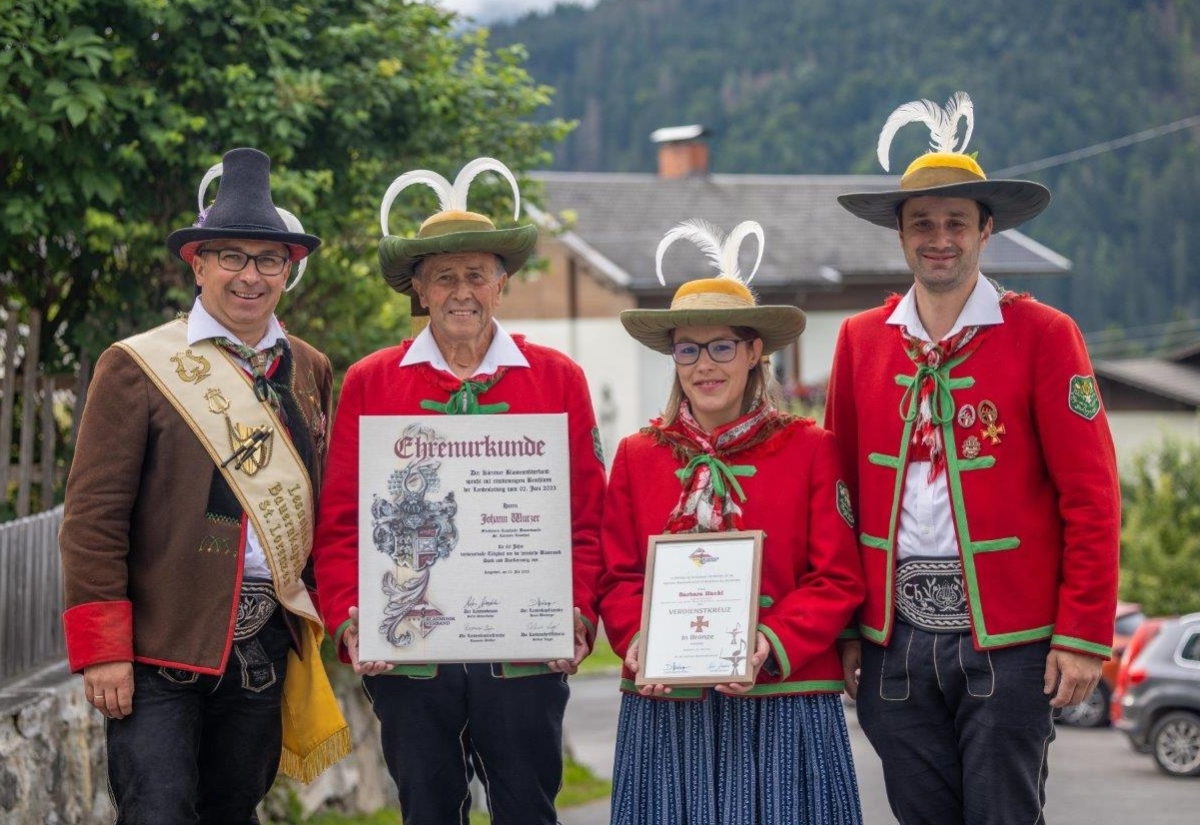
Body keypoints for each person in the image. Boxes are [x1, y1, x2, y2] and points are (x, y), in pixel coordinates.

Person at [828, 92, 1121, 824]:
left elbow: (1092, 495)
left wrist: (1083, 635)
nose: (939, 238)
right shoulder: (860, 341)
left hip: (1012, 642)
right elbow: (837, 497)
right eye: (922, 222)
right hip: (893, 644)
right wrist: (846, 629)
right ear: (900, 233)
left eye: (957, 221)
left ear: (987, 231)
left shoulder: (1045, 334)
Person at [310, 157, 606, 825]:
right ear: (419, 287)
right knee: (427, 812)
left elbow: (588, 519)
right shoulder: (370, 381)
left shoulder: (558, 378)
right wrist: (353, 615)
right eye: (444, 276)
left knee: (528, 810)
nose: (461, 291)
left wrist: (579, 613)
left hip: (524, 655)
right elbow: (341, 525)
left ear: (502, 283)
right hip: (411, 659)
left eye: (476, 274)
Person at [58, 147, 349, 823]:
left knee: (233, 811)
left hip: (262, 646)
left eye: (269, 259)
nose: (251, 276)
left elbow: (324, 506)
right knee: (157, 811)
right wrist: (103, 650)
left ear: (290, 269)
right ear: (198, 263)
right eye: (232, 257)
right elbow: (93, 517)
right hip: (158, 648)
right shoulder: (136, 366)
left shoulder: (308, 368)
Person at [599, 219, 866, 824]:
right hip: (666, 706)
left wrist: (767, 643)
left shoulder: (810, 448)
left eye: (722, 346)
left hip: (783, 699)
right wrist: (640, 642)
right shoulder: (640, 456)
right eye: (688, 349)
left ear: (754, 353)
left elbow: (838, 579)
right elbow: (616, 577)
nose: (704, 365)